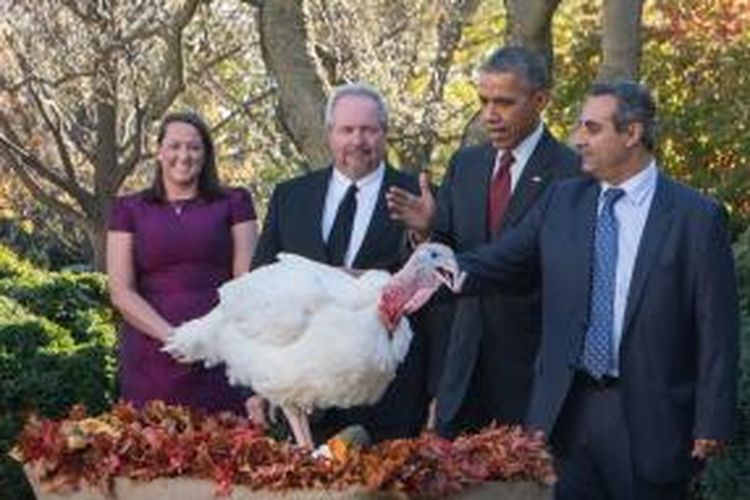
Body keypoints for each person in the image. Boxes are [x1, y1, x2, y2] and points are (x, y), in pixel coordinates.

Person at [451, 81, 739, 499]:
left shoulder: (695, 217)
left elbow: (717, 328)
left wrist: (712, 418)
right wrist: (433, 272)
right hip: (566, 411)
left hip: (649, 416)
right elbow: (500, 261)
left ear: (632, 133)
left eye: (592, 128)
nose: (578, 139)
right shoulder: (562, 202)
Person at [387, 46, 579, 437]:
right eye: (484, 101)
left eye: (504, 102)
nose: (490, 115)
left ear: (540, 100)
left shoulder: (571, 172)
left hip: (532, 371)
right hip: (463, 368)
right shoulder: (466, 164)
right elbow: (448, 255)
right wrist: (427, 231)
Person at [249, 82, 428, 443]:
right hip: (303, 399)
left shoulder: (418, 198)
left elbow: (433, 300)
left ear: (385, 133)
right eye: (347, 130)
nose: (357, 141)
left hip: (386, 400)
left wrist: (424, 233)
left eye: (369, 130)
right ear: (330, 133)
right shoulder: (290, 197)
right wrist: (258, 384)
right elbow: (260, 292)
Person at [107, 111, 259, 415]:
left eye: (194, 147)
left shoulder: (235, 202)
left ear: (206, 155)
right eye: (175, 146)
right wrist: (175, 339)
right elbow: (121, 290)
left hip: (220, 350)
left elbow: (247, 284)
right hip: (151, 354)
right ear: (159, 151)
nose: (184, 155)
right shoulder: (128, 209)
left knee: (227, 452)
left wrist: (206, 336)